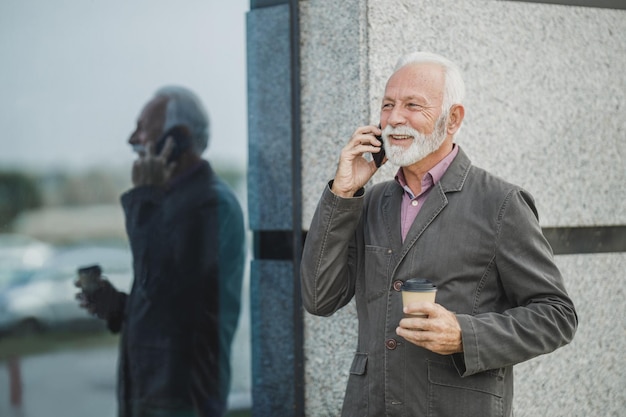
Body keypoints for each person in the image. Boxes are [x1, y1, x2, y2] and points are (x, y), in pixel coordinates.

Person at [300, 52, 578, 417]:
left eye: (413, 105)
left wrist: (465, 334)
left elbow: (556, 315)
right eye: (387, 105)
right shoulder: (371, 201)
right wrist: (342, 192)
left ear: (453, 119)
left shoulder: (500, 203)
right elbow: (319, 298)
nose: (394, 118)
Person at [76, 86, 246, 417]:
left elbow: (166, 292)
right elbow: (168, 298)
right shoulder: (178, 200)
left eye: (142, 128)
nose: (131, 140)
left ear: (178, 137)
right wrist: (120, 307)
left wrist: (145, 200)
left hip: (183, 398)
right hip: (155, 394)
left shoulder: (210, 204)